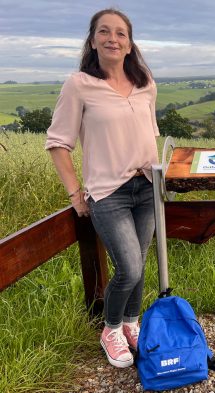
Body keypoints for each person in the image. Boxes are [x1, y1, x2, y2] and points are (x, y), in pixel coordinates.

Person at [45, 8, 159, 368]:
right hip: (108, 192)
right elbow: (57, 142)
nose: (113, 39)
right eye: (104, 32)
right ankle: (110, 329)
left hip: (146, 188)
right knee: (129, 267)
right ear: (93, 41)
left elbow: (149, 135)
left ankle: (131, 323)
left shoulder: (145, 83)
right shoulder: (79, 84)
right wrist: (75, 192)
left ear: (130, 43)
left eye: (121, 33)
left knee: (139, 263)